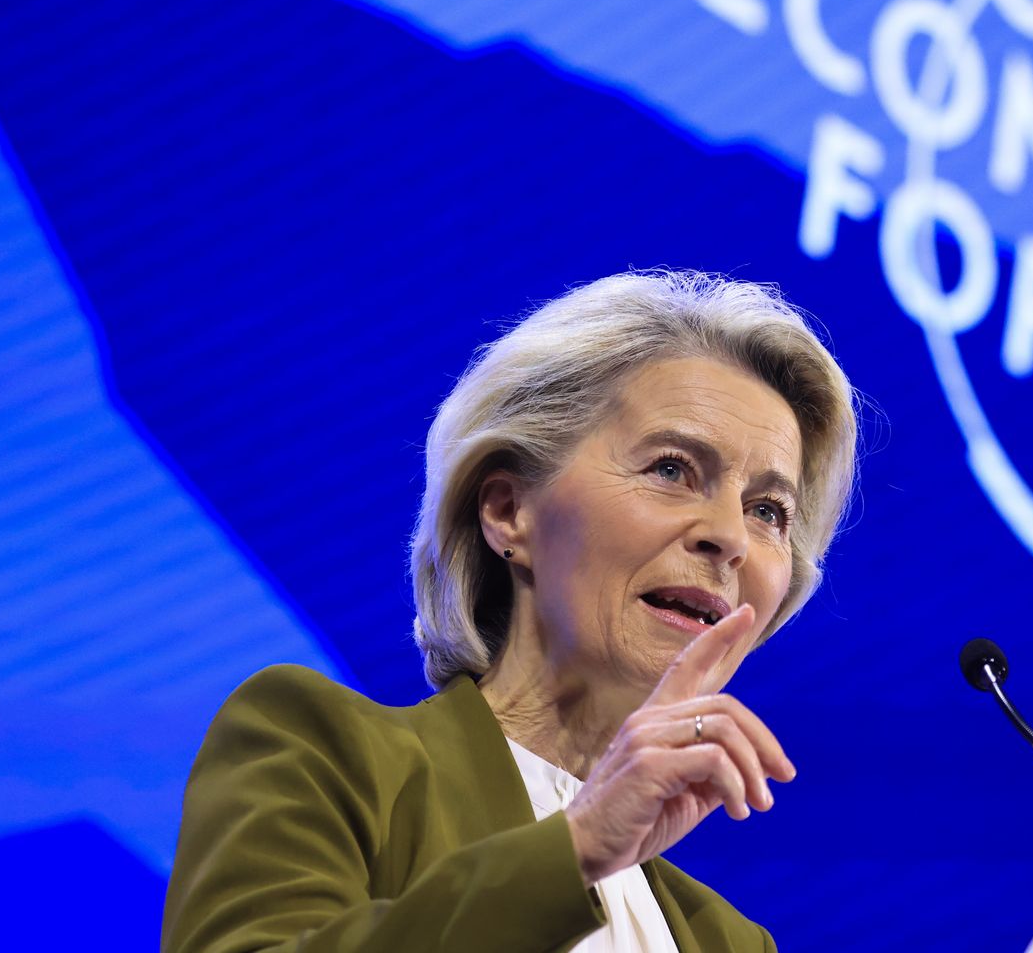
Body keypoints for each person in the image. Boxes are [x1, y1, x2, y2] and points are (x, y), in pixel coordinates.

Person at [162, 270, 860, 952]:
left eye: (769, 511)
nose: (732, 537)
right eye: (672, 469)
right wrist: (578, 848)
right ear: (508, 511)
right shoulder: (326, 753)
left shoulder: (729, 941)